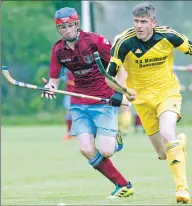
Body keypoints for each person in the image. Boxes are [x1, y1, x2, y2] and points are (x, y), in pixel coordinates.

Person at [104, 3, 192, 204]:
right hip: (142, 102)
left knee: (167, 132)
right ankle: (179, 144)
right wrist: (124, 91)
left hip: (168, 94)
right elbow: (108, 78)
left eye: (143, 22)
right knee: (163, 154)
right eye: (136, 21)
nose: (139, 26)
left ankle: (182, 189)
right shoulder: (123, 43)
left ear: (153, 22)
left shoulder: (168, 36)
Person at [40, 7, 134, 198]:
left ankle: (115, 138)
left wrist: (119, 91)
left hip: (103, 99)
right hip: (79, 102)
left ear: (77, 24)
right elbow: (54, 79)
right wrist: (50, 86)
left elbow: (120, 67)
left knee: (106, 151)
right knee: (86, 149)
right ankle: (122, 184)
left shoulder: (95, 41)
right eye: (62, 27)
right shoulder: (58, 49)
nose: (67, 30)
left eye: (70, 25)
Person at [61, 68, 75, 141]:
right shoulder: (66, 71)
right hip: (69, 94)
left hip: (78, 94)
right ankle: (69, 134)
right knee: (68, 115)